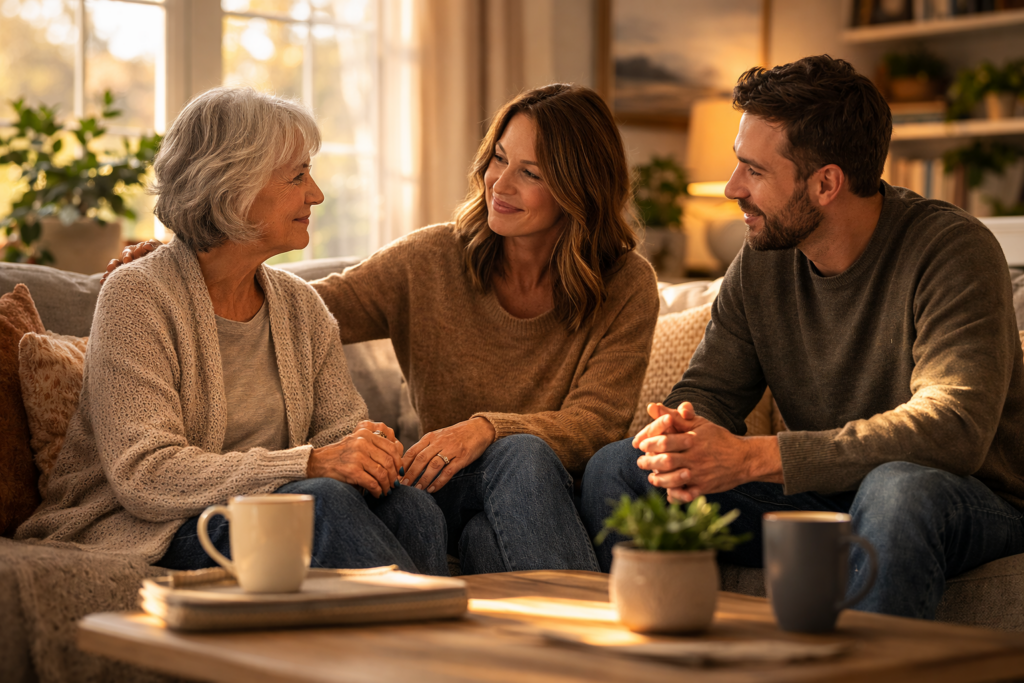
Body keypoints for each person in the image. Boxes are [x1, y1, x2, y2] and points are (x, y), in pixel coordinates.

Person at [109, 84, 661, 574]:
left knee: (502, 483)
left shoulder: (625, 282)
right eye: (498, 158)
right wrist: (192, 258)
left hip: (545, 487)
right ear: (230, 187)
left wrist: (485, 428)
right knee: (359, 501)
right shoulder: (426, 259)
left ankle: (568, 651)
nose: (499, 182)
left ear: (578, 187)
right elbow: (311, 312)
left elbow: (596, 421)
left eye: (531, 172)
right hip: (213, 511)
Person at [580, 55, 1024, 619]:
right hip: (826, 498)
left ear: (826, 184)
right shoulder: (764, 258)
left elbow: (952, 430)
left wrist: (755, 458)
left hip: (963, 499)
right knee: (619, 468)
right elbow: (712, 391)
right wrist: (679, 436)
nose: (731, 187)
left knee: (897, 490)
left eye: (754, 171)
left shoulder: (952, 252)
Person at [17, 87, 449, 576]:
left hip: (272, 508)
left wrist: (368, 450)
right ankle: (421, 643)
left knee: (410, 505)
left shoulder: (301, 306)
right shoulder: (137, 296)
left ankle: (425, 641)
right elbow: (145, 475)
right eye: (297, 176)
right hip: (149, 528)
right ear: (232, 186)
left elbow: (339, 432)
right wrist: (307, 465)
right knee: (321, 503)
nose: (317, 194)